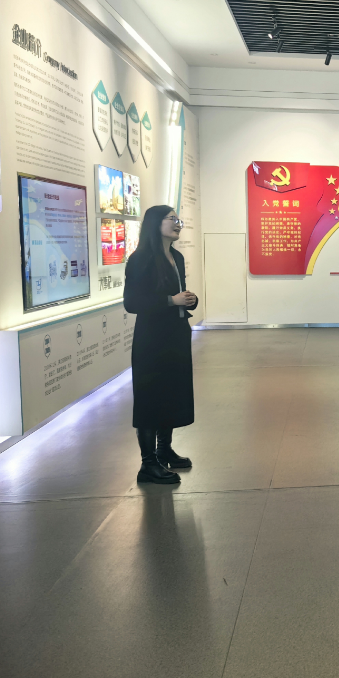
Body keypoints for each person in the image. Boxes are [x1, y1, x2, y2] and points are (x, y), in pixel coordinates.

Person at [124, 205, 198, 485]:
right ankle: (148, 464)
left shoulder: (176, 257)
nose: (178, 224)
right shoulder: (140, 259)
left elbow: (178, 294)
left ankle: (164, 450)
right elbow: (132, 302)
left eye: (179, 219)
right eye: (172, 219)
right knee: (150, 398)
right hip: (152, 339)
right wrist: (171, 301)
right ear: (155, 223)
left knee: (170, 393)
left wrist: (188, 300)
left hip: (175, 335)